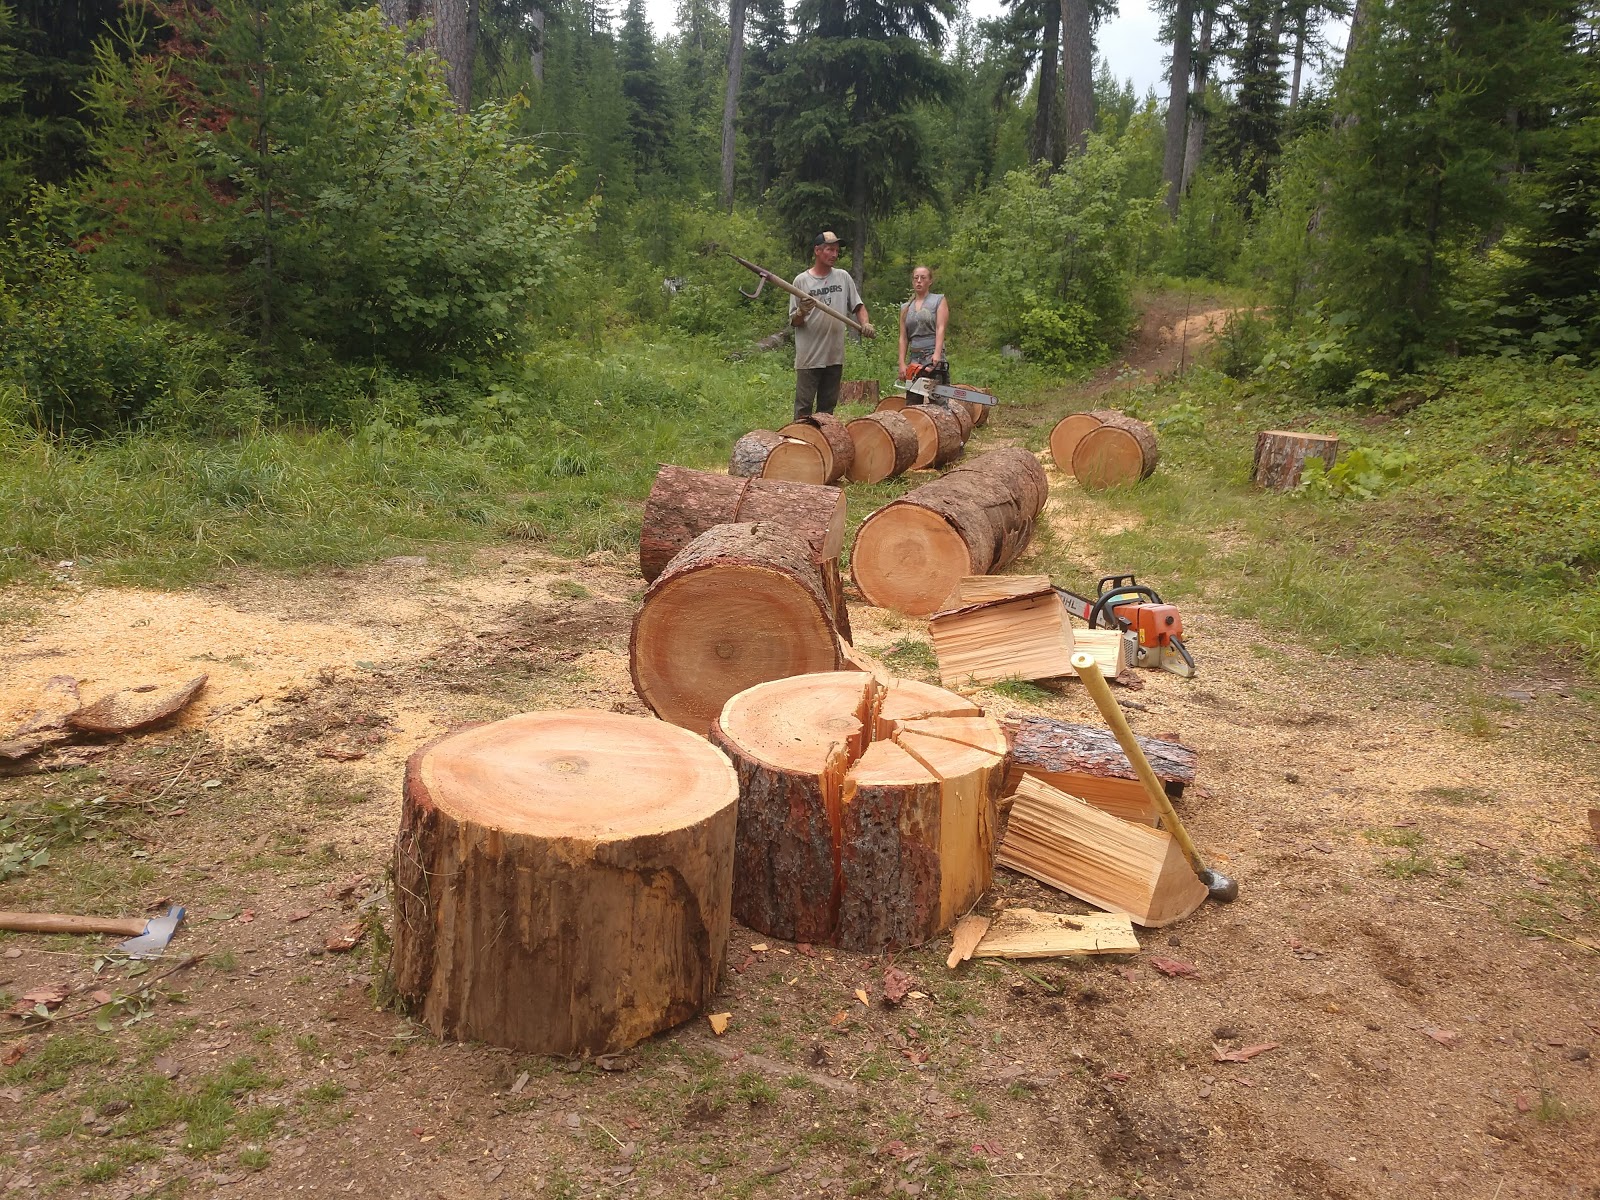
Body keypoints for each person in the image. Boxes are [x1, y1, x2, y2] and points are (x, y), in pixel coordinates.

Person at [789, 231, 875, 422]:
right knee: (803, 409)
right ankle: (799, 439)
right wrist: (802, 311)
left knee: (827, 412)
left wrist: (865, 323)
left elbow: (858, 306)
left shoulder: (843, 277)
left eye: (836, 250)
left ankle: (825, 439)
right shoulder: (801, 281)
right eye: (829, 249)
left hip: (834, 356)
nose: (834, 254)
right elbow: (794, 321)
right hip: (809, 357)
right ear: (817, 251)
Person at [898, 264, 948, 380]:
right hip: (914, 356)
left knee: (936, 389)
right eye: (916, 278)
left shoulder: (938, 300)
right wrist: (901, 363)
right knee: (913, 390)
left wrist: (937, 353)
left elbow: (940, 328)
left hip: (932, 352)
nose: (919, 281)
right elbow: (903, 337)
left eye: (923, 278)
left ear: (930, 281)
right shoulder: (905, 308)